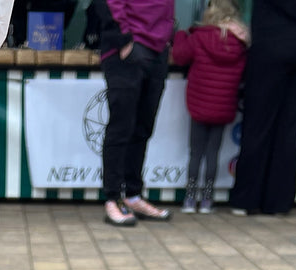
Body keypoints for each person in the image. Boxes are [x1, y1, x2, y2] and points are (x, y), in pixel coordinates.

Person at [227, 0, 296, 215]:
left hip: (273, 42)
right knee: (290, 126)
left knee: (259, 122)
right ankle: (278, 200)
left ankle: (246, 198)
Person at [91, 0, 176, 226]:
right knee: (121, 126)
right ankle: (112, 198)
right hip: (130, 45)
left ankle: (133, 195)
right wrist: (123, 38)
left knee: (142, 127)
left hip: (157, 48)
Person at [173, 0, 248, 213]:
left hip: (199, 104)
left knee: (195, 152)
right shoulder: (241, 43)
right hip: (224, 105)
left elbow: (179, 57)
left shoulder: (199, 37)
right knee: (212, 154)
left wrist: (180, 34)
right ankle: (207, 199)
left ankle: (189, 198)